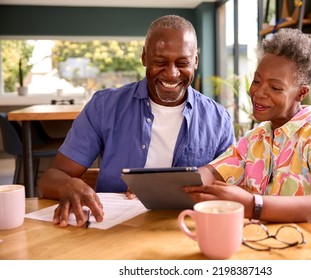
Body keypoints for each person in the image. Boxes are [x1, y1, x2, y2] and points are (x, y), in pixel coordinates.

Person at [185, 28, 311, 259]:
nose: (259, 93)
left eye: (275, 88)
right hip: (282, 243)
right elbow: (210, 173)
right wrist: (162, 185)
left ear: (301, 93)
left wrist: (255, 205)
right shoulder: (255, 138)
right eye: (256, 81)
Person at [38, 15, 235, 228]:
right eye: (160, 62)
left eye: (182, 62)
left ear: (195, 60)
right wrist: (68, 185)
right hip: (113, 229)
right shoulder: (104, 106)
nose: (171, 73)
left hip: (184, 229)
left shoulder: (218, 119)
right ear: (144, 57)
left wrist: (167, 190)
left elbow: (230, 189)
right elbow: (51, 177)